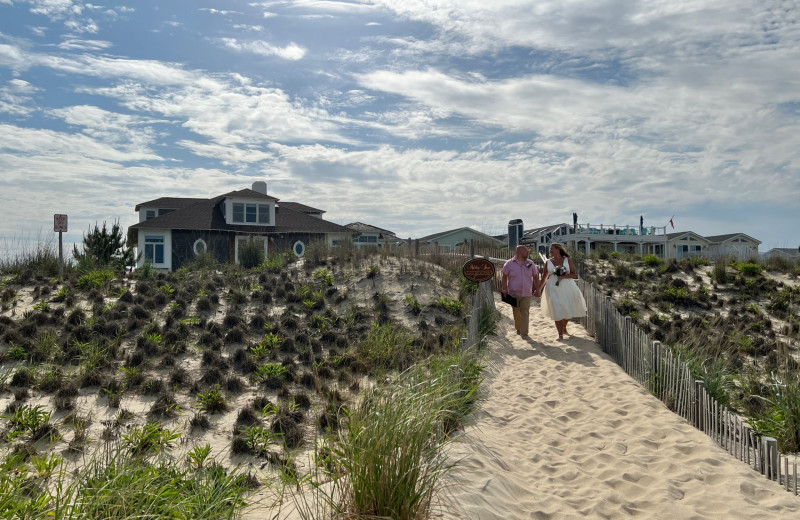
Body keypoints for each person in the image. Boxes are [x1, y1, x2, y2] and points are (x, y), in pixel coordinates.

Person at [539, 243, 587, 340]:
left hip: (567, 286)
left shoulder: (567, 260)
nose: (550, 251)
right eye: (550, 249)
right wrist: (539, 289)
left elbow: (574, 274)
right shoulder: (548, 262)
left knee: (569, 308)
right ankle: (560, 335)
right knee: (557, 308)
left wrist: (563, 276)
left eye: (552, 249)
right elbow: (544, 277)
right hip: (552, 286)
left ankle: (564, 326)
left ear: (558, 249)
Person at [501, 245, 541, 339]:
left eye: (527, 252)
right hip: (513, 292)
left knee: (525, 312)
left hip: (527, 293)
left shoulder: (530, 263)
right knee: (516, 311)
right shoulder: (509, 263)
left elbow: (535, 276)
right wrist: (504, 288)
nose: (527, 253)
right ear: (518, 252)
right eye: (525, 252)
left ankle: (524, 334)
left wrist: (538, 289)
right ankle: (518, 328)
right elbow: (504, 276)